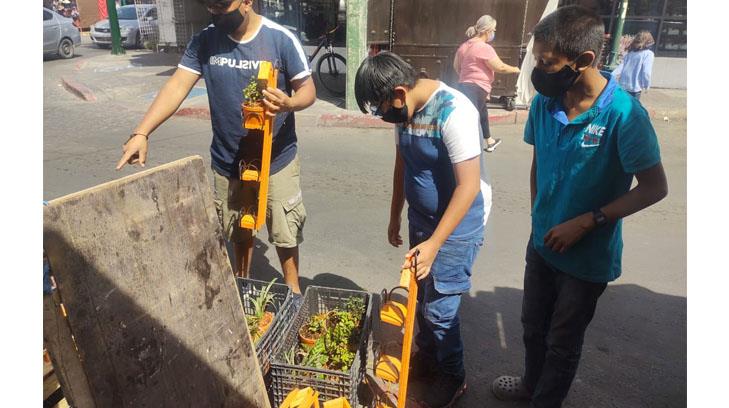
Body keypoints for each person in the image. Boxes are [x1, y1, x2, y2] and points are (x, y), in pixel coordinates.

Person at [490, 6, 667, 408]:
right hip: (542, 244)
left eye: (548, 63)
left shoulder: (624, 115)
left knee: (562, 343)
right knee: (533, 328)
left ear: (584, 60)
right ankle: (530, 386)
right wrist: (539, 217)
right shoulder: (544, 103)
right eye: (537, 61)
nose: (539, 71)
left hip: (586, 259)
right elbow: (541, 164)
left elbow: (655, 187)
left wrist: (588, 222)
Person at [115, 0, 316, 303]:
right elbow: (176, 87)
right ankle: (243, 286)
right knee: (237, 228)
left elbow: (307, 91)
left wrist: (288, 102)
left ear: (247, 2)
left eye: (223, 5)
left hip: (277, 160)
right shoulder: (205, 41)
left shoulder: (279, 39)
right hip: (228, 160)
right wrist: (141, 132)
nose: (216, 13)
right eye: (210, 6)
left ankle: (293, 290)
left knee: (284, 230)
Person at [355, 52, 492, 408]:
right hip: (421, 222)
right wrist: (394, 215)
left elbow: (469, 187)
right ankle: (430, 359)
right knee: (422, 297)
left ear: (399, 92)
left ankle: (453, 375)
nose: (380, 115)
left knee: (440, 309)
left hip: (456, 227)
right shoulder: (404, 112)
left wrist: (435, 243)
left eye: (379, 106)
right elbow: (403, 165)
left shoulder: (453, 111)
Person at [454, 15, 520, 153]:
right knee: (472, 118)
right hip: (477, 87)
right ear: (487, 30)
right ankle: (465, 148)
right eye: (493, 30)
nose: (493, 33)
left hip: (464, 85)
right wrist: (515, 69)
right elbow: (499, 67)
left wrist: (466, 76)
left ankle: (489, 141)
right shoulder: (483, 47)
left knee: (481, 113)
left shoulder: (464, 46)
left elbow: (456, 66)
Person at [612, 30, 655, 100]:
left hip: (622, 85)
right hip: (635, 88)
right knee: (632, 109)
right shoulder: (648, 54)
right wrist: (646, 85)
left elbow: (620, 68)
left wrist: (611, 77)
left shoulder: (630, 53)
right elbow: (646, 72)